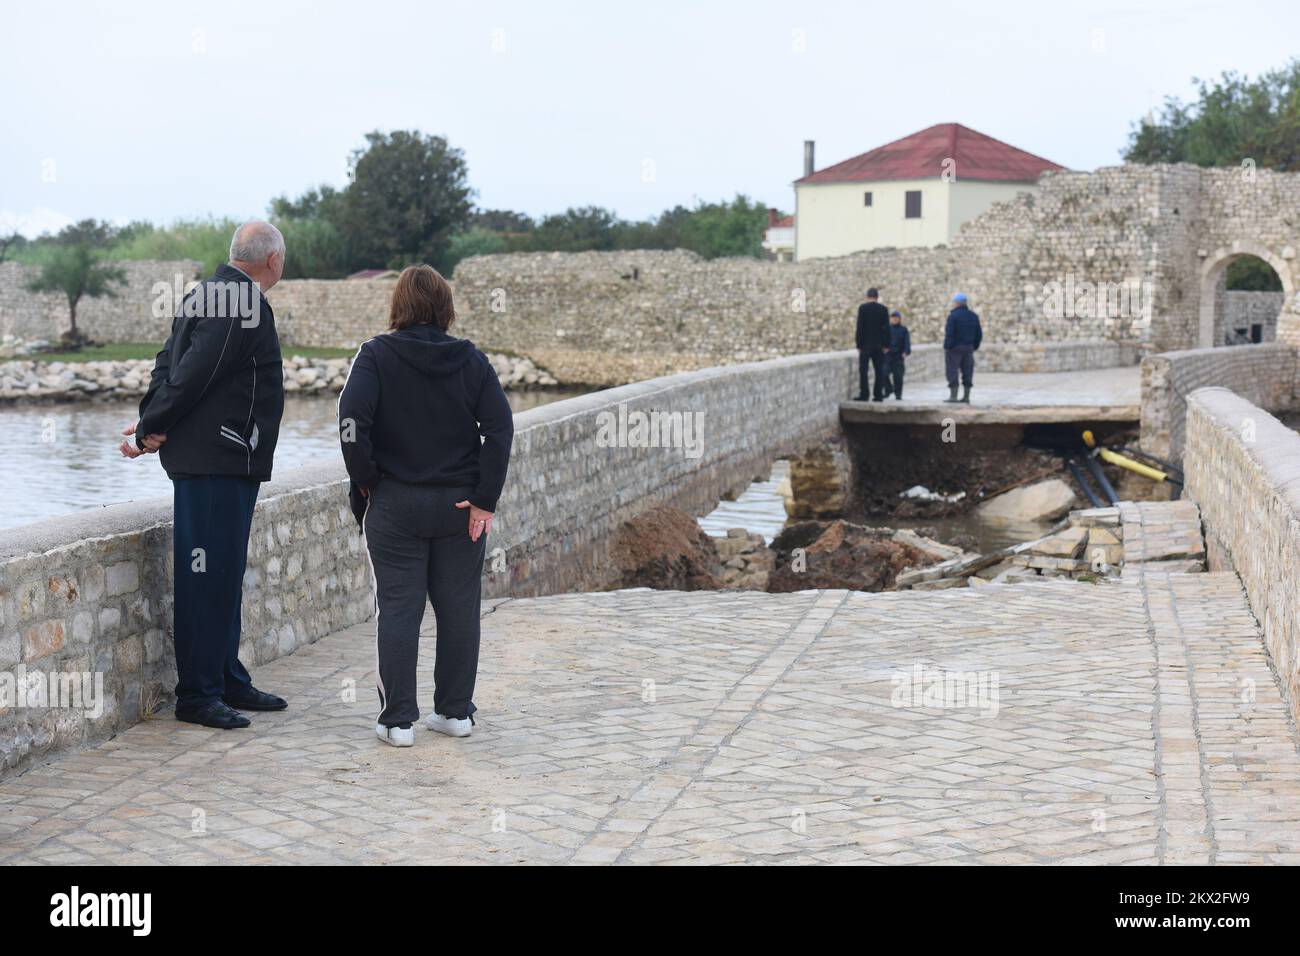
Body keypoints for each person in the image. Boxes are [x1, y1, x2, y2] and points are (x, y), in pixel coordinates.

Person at [119, 221, 288, 729]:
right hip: (218, 461)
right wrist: (153, 424)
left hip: (221, 461)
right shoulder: (241, 302)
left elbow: (168, 364)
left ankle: (226, 677)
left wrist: (153, 420)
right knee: (206, 578)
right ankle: (198, 694)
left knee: (223, 574)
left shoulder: (204, 295)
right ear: (273, 260)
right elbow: (193, 372)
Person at [338, 265, 514, 748]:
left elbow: (351, 421)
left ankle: (397, 722)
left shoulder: (374, 356)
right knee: (459, 609)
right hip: (459, 507)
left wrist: (368, 480)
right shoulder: (471, 360)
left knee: (397, 610)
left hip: (395, 504)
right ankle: (455, 714)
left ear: (398, 305)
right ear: (445, 307)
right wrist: (483, 499)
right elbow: (499, 429)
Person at [943, 292, 983, 403]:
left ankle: (953, 396)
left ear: (956, 303)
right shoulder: (973, 316)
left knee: (952, 370)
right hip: (968, 348)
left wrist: (947, 346)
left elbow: (950, 333)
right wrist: (974, 346)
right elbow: (979, 334)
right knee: (967, 371)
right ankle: (966, 397)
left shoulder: (953, 316)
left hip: (954, 348)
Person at [854, 287, 891, 401]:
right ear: (877, 297)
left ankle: (864, 394)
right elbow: (886, 329)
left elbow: (860, 327)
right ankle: (878, 395)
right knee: (878, 371)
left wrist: (858, 344)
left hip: (865, 345)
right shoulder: (883, 309)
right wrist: (886, 345)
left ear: (867, 296)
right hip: (879, 346)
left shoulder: (863, 308)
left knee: (863, 371)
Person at [883, 308, 911, 400]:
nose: (894, 319)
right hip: (888, 356)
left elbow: (907, 343)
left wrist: (906, 352)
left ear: (899, 319)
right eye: (893, 317)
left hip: (898, 356)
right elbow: (882, 341)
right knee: (883, 373)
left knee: (898, 377)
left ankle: (898, 394)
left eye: (896, 317)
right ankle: (888, 389)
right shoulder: (886, 329)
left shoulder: (904, 330)